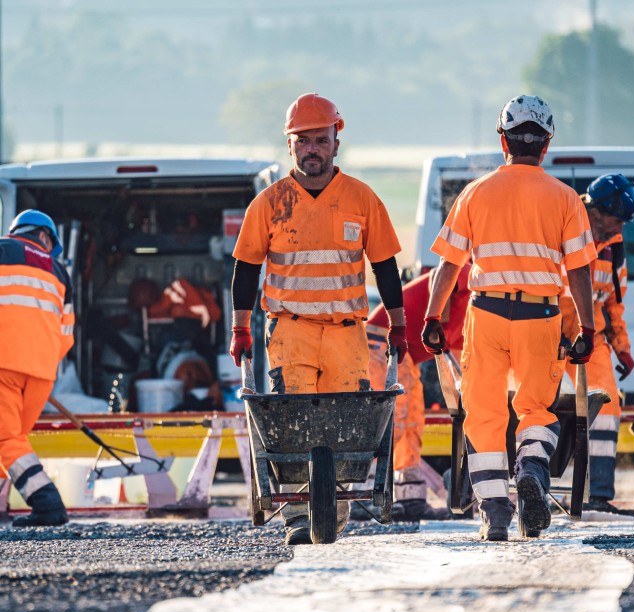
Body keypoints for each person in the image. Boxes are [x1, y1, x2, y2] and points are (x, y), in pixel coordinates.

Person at [229, 93, 407, 545]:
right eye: (303, 140)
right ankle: (297, 520)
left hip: (348, 332)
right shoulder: (270, 204)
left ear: (335, 142)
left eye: (321, 140)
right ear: (289, 145)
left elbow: (385, 265)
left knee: (345, 428)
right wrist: (239, 328)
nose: (313, 149)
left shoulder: (361, 199)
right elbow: (246, 268)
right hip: (290, 330)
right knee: (291, 429)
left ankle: (335, 512)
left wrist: (400, 326)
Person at [421, 94, 597, 542]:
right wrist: (588, 328)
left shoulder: (474, 193)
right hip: (541, 316)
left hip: (489, 313)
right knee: (536, 407)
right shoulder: (564, 199)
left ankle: (496, 512)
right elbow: (579, 271)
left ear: (504, 142)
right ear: (546, 144)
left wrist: (434, 316)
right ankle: (533, 470)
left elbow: (450, 265)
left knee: (483, 412)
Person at [560, 174, 634, 516]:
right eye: (616, 219)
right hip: (551, 337)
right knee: (546, 409)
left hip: (591, 340)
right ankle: (547, 488)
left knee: (607, 408)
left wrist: (622, 346)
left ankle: (598, 496)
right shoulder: (562, 229)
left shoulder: (614, 247)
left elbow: (612, 303)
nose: (618, 228)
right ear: (595, 209)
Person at [365, 263, 471, 521]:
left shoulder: (468, 320)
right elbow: (441, 275)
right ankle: (364, 493)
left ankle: (410, 498)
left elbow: (458, 365)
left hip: (400, 355)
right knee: (390, 422)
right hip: (380, 342)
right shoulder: (470, 273)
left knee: (411, 422)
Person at [0, 210, 75, 527]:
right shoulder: (60, 272)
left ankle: (47, 504)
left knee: (6, 440)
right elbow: (67, 336)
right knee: (11, 440)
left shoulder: (3, 249)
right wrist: (39, 361)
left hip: (2, 363)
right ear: (44, 236)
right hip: (41, 372)